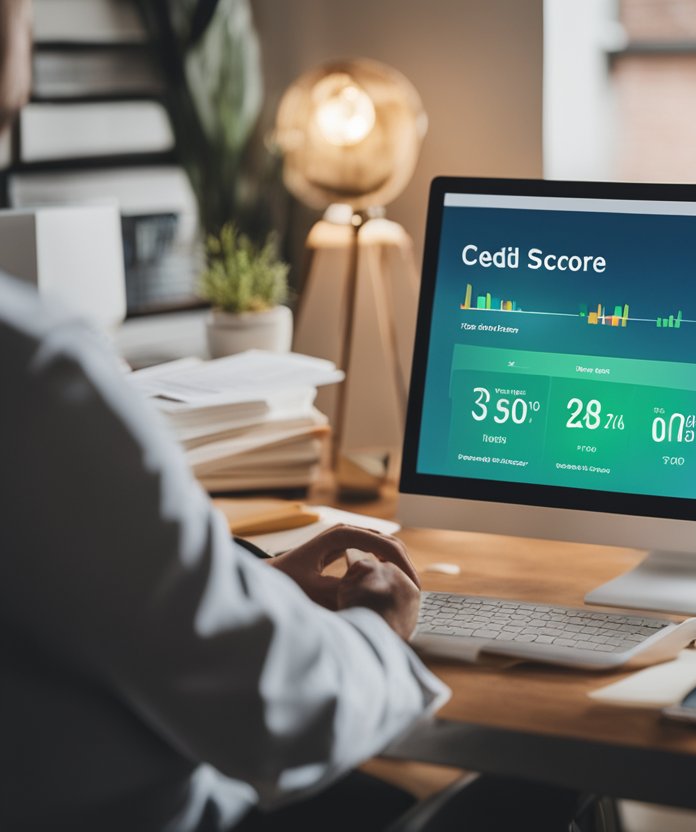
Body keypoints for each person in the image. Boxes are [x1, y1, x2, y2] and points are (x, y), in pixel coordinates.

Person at [0, 1, 450, 829]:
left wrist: (243, 590)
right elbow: (275, 716)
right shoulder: (30, 365)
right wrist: (383, 634)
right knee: (535, 795)